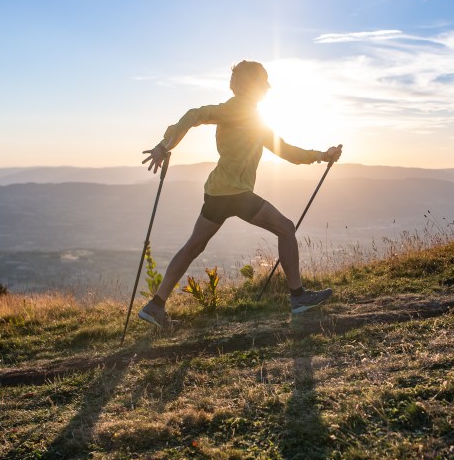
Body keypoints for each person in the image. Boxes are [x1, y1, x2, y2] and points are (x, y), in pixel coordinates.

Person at [138, 60, 342, 329]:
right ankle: (298, 297)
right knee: (286, 228)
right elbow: (194, 114)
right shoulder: (237, 112)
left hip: (217, 192)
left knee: (193, 247)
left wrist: (320, 156)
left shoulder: (250, 118)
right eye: (264, 82)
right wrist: (165, 146)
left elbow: (285, 151)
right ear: (252, 86)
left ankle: (156, 305)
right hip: (236, 193)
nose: (268, 86)